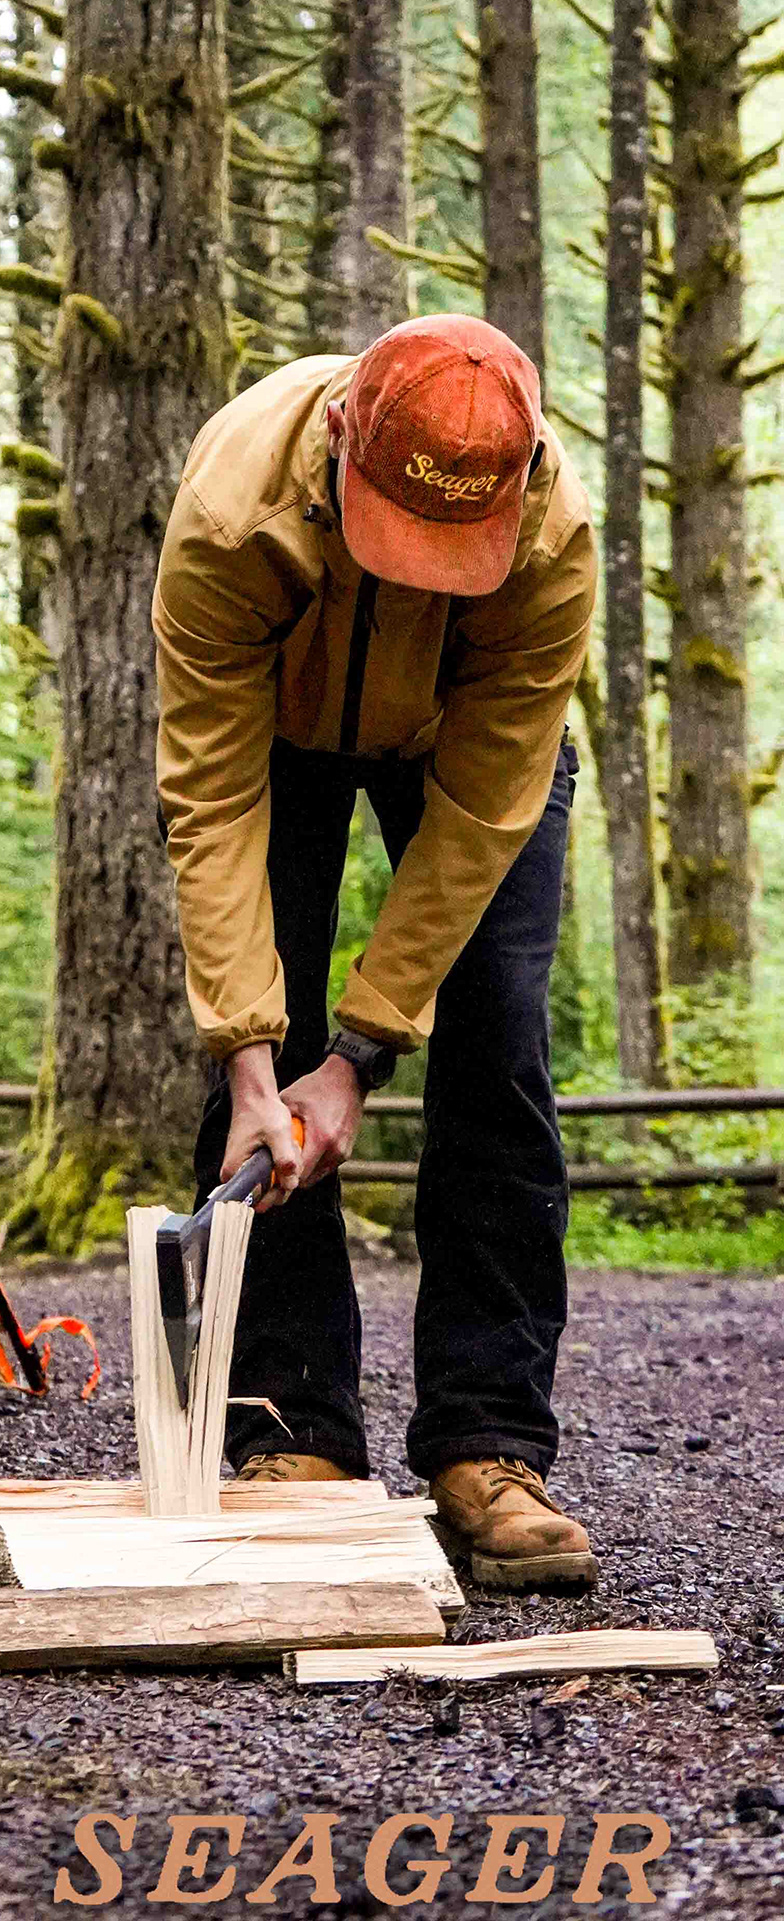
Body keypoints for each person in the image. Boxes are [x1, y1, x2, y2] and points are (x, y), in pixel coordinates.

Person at [152, 315, 598, 1588]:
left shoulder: (554, 540)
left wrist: (359, 1057)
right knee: (256, 1041)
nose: (420, 577)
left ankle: (488, 1440)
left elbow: (480, 822)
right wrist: (261, 1061)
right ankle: (289, 1425)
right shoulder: (234, 505)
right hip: (272, 750)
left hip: (464, 758)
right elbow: (211, 797)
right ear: (344, 439)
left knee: (498, 1043)